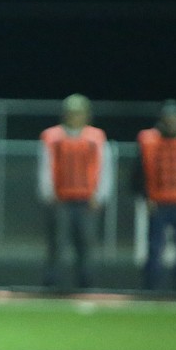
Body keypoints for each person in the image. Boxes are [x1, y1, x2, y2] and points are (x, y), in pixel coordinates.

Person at [38, 94, 113, 291]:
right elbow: (46, 166)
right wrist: (48, 192)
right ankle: (52, 284)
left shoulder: (97, 137)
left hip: (87, 199)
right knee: (57, 244)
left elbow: (105, 167)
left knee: (86, 245)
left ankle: (86, 285)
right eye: (72, 113)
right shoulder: (52, 136)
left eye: (79, 113)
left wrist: (100, 195)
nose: (75, 116)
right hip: (61, 198)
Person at [132, 100, 176, 293]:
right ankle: (151, 289)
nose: (171, 122)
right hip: (158, 201)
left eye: (174, 118)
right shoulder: (148, 139)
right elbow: (138, 172)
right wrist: (145, 196)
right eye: (168, 118)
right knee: (155, 249)